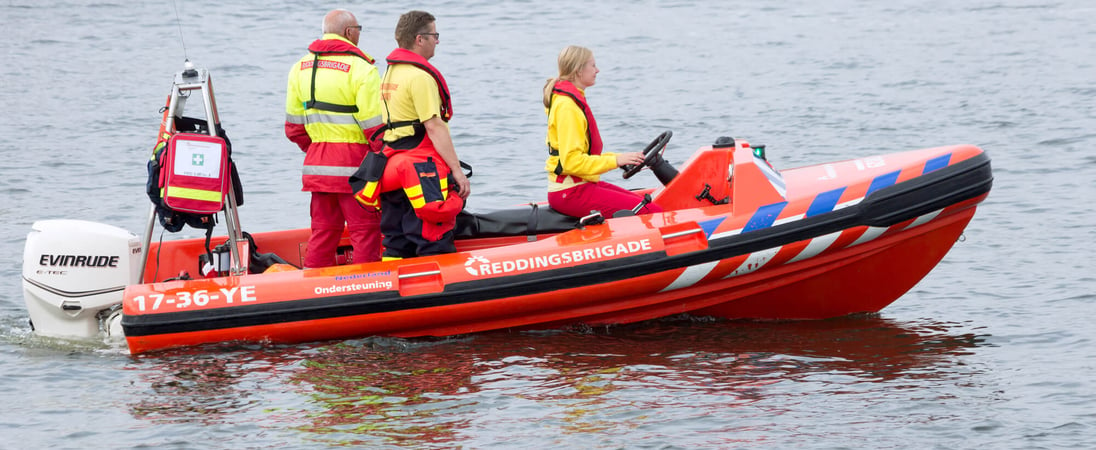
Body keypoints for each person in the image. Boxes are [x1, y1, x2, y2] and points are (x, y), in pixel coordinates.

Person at [357, 10, 469, 260]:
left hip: (392, 166)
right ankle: (442, 294)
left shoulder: (390, 73)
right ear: (420, 39)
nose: (437, 40)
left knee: (397, 239)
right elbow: (434, 126)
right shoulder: (419, 76)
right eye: (434, 35)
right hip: (420, 169)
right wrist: (457, 172)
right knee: (433, 235)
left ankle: (394, 291)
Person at [285, 9, 384, 268]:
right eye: (359, 29)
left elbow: (293, 128)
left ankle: (312, 293)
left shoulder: (299, 68)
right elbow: (374, 128)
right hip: (357, 169)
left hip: (318, 166)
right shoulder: (362, 69)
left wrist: (319, 148)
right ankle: (367, 290)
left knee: (323, 233)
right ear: (349, 32)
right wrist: (381, 159)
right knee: (365, 232)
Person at [543, 45, 664, 218]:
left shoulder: (569, 100)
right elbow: (571, 162)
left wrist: (621, 158)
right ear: (578, 70)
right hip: (570, 192)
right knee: (652, 213)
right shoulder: (567, 107)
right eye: (592, 65)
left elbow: (581, 156)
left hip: (580, 185)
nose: (597, 70)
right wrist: (615, 161)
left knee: (649, 204)